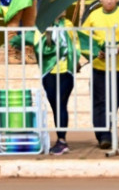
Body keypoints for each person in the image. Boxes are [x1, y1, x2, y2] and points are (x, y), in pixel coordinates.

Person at [81, 0, 119, 149]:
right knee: (99, 101)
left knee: (114, 101)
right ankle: (104, 135)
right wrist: (92, 52)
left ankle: (107, 130)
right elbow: (83, 37)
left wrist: (114, 51)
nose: (109, 1)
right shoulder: (93, 15)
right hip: (99, 66)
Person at [42, 14, 77, 156]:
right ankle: (60, 137)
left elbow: (76, 45)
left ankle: (62, 140)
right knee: (55, 105)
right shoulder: (43, 25)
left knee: (61, 103)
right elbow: (39, 45)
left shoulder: (68, 24)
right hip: (49, 72)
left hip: (66, 71)